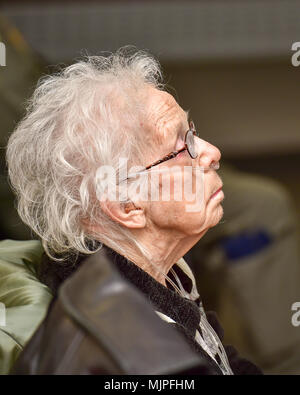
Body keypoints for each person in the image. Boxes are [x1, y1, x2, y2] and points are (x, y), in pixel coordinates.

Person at [5, 47, 261, 375]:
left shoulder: (150, 271)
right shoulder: (142, 354)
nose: (212, 152)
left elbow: (222, 359)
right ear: (127, 205)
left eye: (192, 132)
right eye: (181, 148)